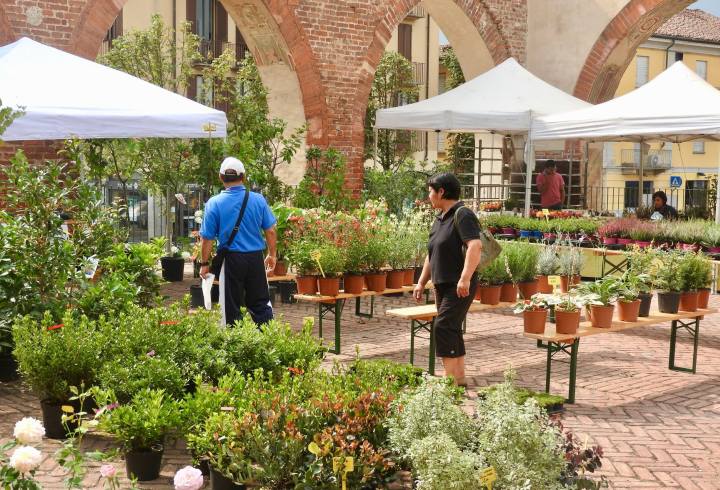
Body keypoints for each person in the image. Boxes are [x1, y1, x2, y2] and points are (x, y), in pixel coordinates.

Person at [413, 173, 482, 387]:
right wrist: (422, 282)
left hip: (458, 284)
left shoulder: (462, 214)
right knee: (451, 327)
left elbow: (475, 245)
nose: (429, 195)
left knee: (443, 326)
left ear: (441, 191)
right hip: (442, 284)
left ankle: (449, 379)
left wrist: (465, 278)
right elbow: (431, 254)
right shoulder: (440, 218)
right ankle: (458, 378)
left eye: (431, 190)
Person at [198, 157, 278, 326]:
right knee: (261, 303)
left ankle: (236, 346)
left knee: (231, 306)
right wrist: (272, 254)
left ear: (221, 177)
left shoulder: (214, 203)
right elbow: (270, 230)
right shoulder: (258, 200)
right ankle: (268, 343)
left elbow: (207, 239)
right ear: (244, 176)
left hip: (232, 260)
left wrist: (204, 263)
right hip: (255, 258)